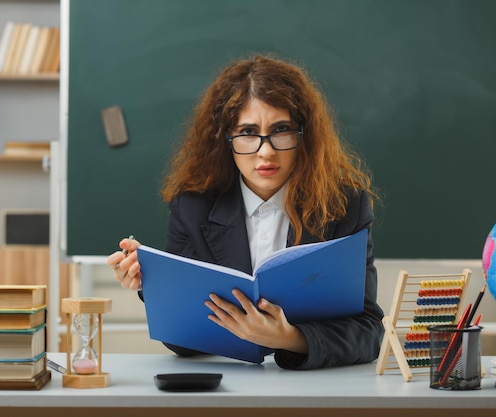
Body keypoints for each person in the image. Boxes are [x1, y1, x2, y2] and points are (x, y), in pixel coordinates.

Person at [107, 54, 384, 370]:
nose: (266, 151)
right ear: (225, 139)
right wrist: (152, 283)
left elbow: (369, 332)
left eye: (281, 130)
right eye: (248, 132)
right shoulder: (192, 207)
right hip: (228, 390)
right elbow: (182, 344)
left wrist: (291, 338)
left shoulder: (344, 206)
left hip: (316, 392)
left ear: (304, 135)